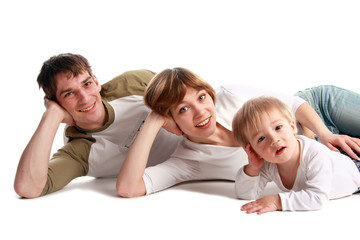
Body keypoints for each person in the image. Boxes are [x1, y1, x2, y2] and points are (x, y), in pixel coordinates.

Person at [116, 67, 360, 197]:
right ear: (170, 120)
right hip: (330, 165)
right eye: (183, 109)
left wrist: (324, 134)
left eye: (201, 97)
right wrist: (152, 121)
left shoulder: (229, 96)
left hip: (319, 112)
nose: (201, 112)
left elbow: (294, 105)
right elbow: (129, 188)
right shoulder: (188, 161)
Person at [14, 53, 181, 198]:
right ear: (56, 103)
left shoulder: (132, 83)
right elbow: (28, 187)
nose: (85, 98)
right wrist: (51, 116)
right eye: (69, 93)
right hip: (185, 172)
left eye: (87, 84)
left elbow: (197, 97)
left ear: (96, 81)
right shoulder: (79, 153)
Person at [232, 96, 360, 214]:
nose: (274, 139)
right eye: (261, 138)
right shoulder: (268, 164)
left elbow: (317, 197)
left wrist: (277, 201)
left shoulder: (314, 154)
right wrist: (253, 167)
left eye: (278, 127)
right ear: (254, 150)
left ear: (292, 126)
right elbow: (245, 194)